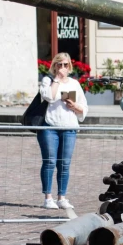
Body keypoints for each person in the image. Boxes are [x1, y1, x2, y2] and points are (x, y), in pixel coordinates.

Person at [38, 52, 88, 210]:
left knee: (64, 164)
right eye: (59, 64)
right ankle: (48, 197)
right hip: (50, 127)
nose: (62, 67)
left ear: (70, 67)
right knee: (50, 161)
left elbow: (83, 107)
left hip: (69, 127)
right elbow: (49, 97)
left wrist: (74, 106)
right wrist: (57, 80)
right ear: (54, 66)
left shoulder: (74, 83)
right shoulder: (48, 80)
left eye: (65, 65)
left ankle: (62, 197)